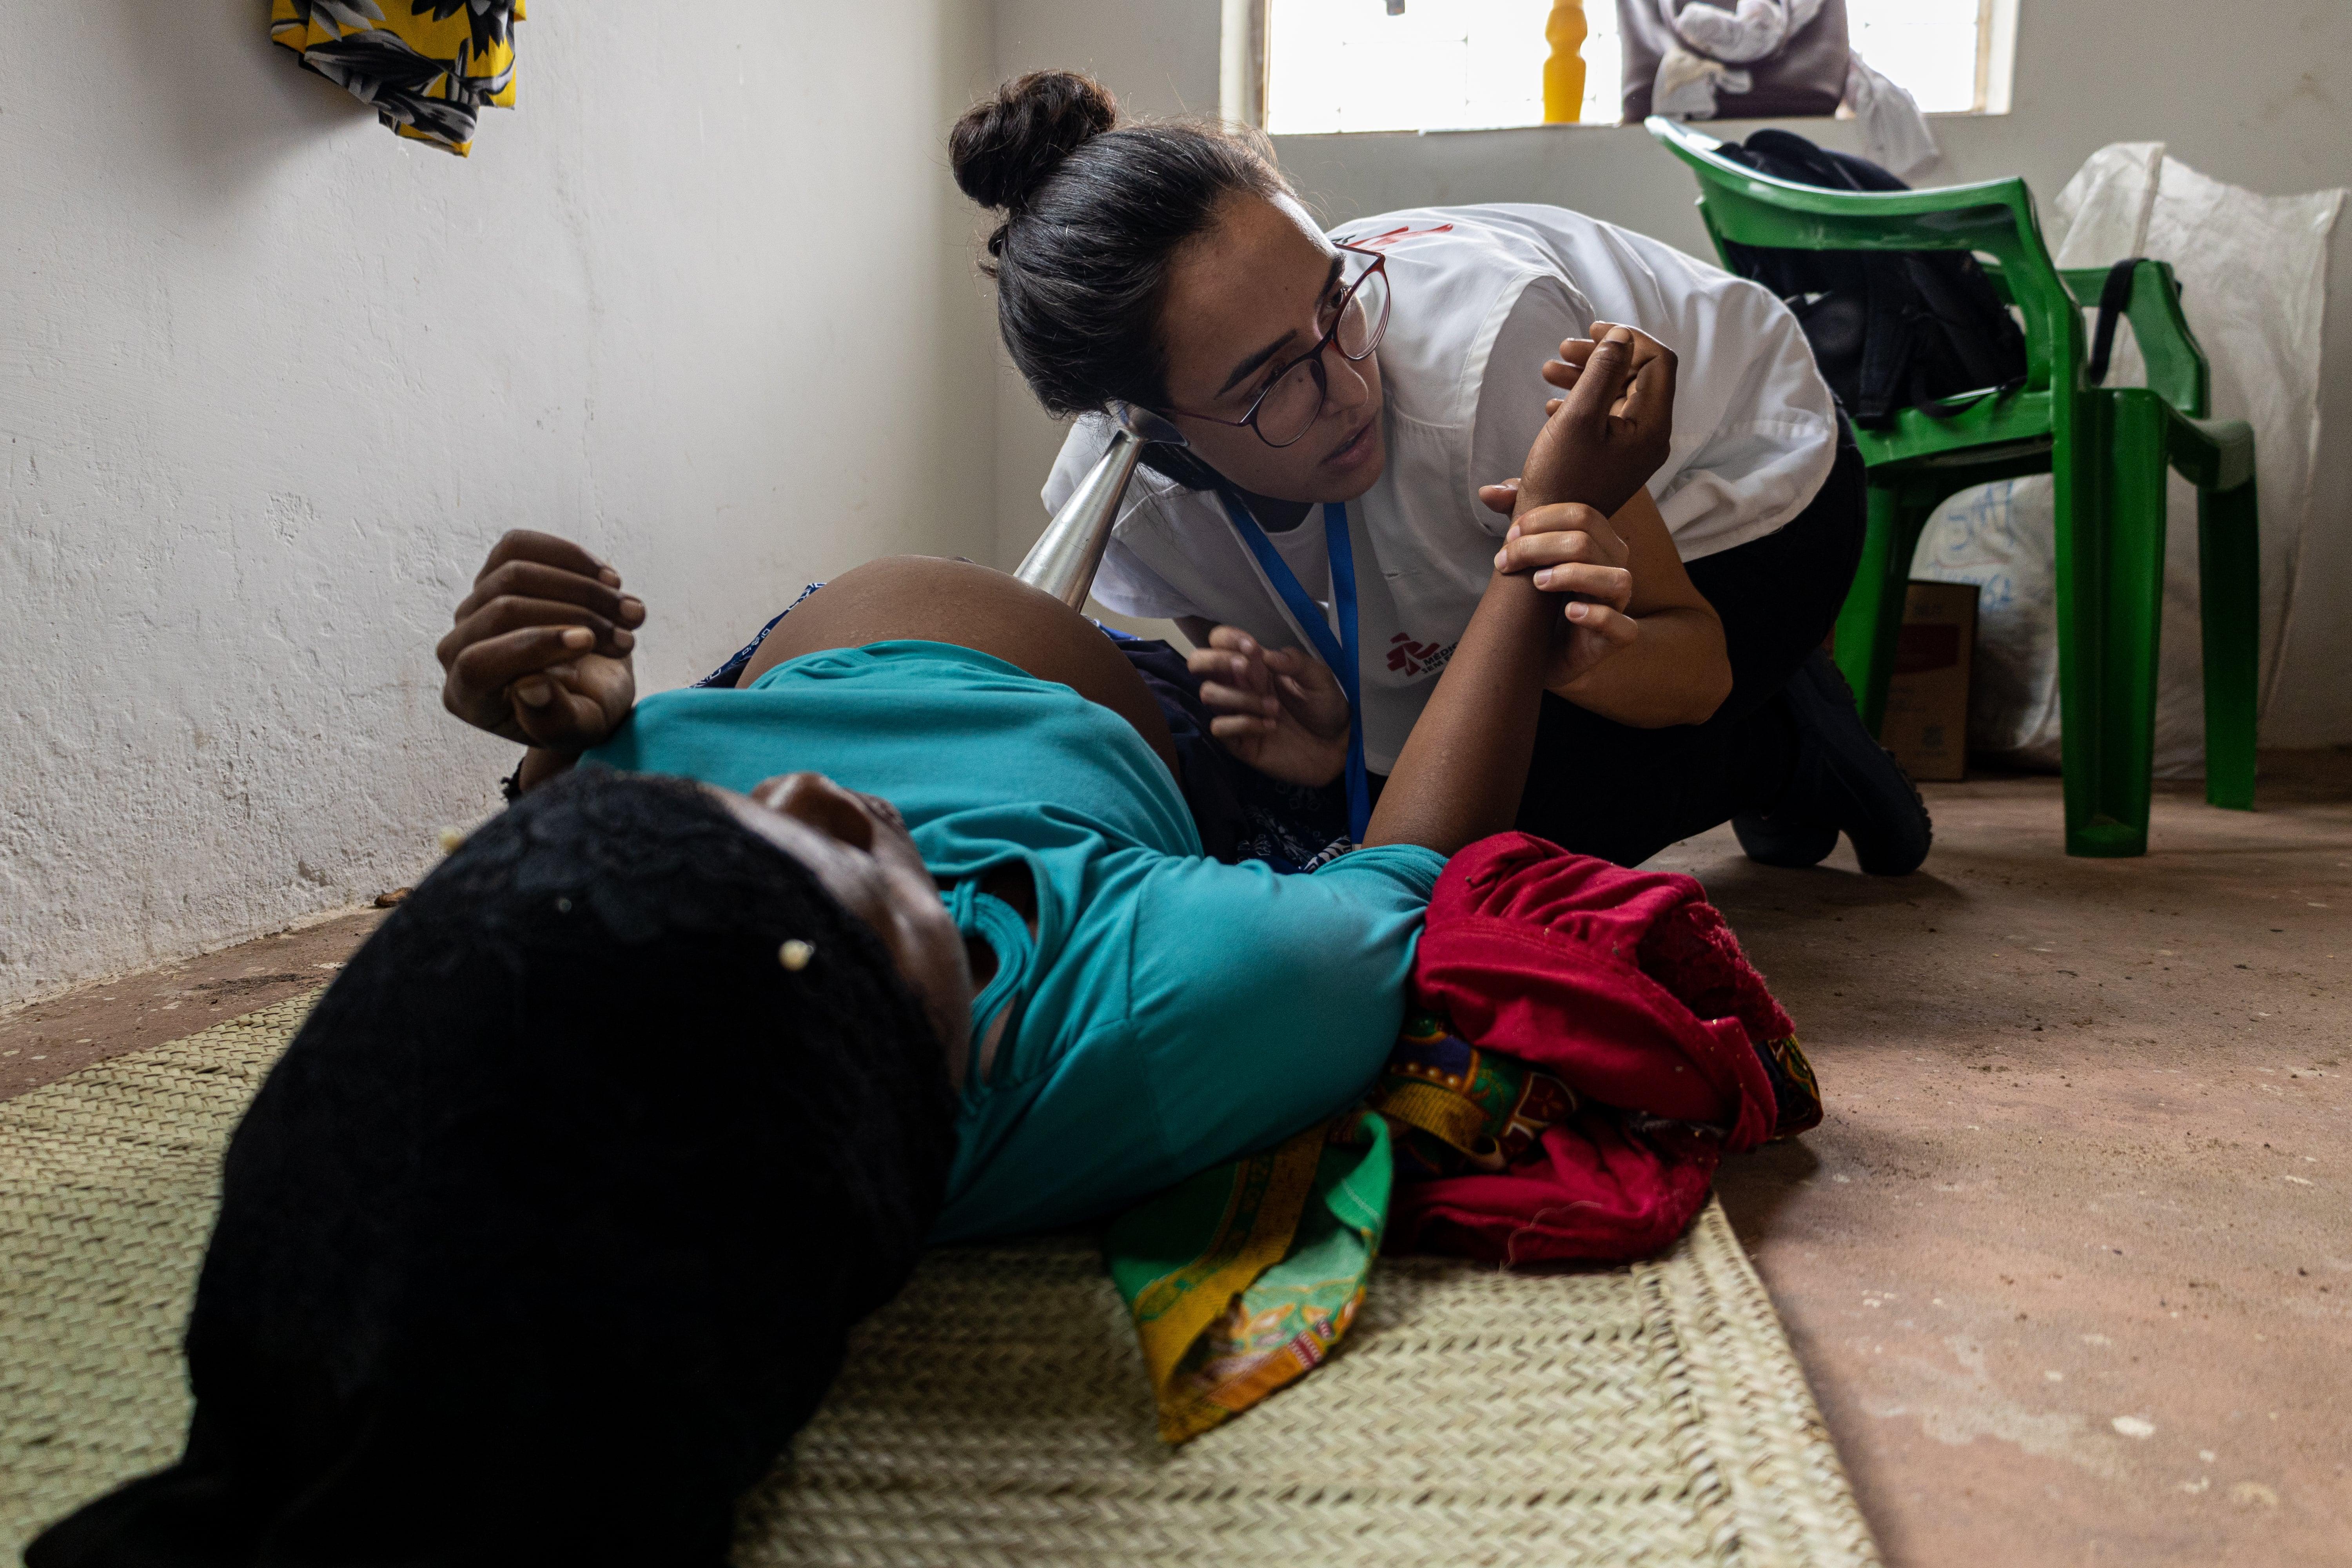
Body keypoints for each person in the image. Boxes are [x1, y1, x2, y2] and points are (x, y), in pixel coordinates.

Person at [32, 329, 1681, 1568]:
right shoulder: (1155, 1016)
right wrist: (1541, 536)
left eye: (751, 814)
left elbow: (511, 1045)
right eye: (832, 858)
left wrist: (573, 752)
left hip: (760, 664)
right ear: (905, 1044)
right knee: (1281, 709)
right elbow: (1413, 866)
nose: (818, 791)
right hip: (1118, 703)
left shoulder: (647, 1015)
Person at [959, 69, 1930, 876]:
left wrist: (1572, 662)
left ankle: (1795, 741)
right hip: (1494, 578)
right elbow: (1335, 698)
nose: (1347, 384)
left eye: (1335, 296)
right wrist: (1338, 735)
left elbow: (1690, 658)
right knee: (1336, 830)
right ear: (1152, 428)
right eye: (1270, 381)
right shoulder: (1129, 507)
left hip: (1752, 489)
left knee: (1505, 848)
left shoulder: (1497, 353)